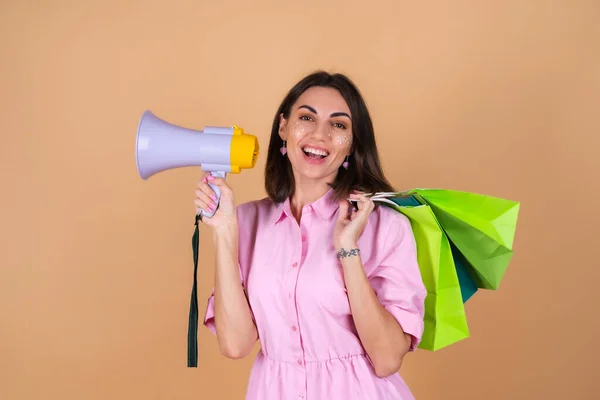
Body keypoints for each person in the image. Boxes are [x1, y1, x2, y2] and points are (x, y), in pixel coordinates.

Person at [194, 71, 427, 399]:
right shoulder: (247, 221)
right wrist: (224, 232)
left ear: (353, 144)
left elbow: (387, 359)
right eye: (306, 118)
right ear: (283, 128)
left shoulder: (384, 227)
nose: (320, 134)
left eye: (339, 124)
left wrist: (348, 251)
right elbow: (235, 344)